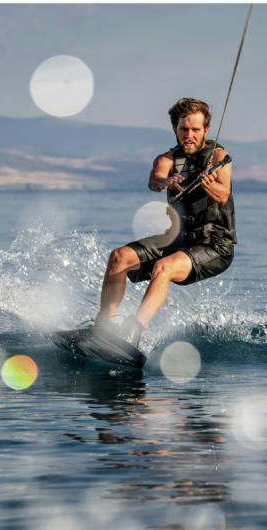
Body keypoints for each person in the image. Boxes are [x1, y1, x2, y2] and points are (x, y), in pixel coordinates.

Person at [93, 97, 236, 348]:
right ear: (175, 129)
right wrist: (167, 182)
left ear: (206, 130)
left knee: (164, 267)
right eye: (184, 129)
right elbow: (155, 181)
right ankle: (104, 328)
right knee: (119, 257)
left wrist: (209, 184)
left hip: (214, 244)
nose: (189, 135)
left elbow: (223, 194)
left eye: (195, 130)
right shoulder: (167, 160)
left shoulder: (218, 157)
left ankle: (133, 332)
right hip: (178, 238)